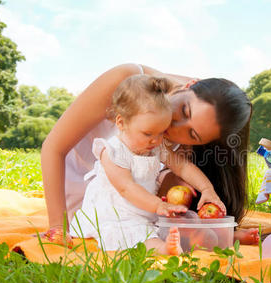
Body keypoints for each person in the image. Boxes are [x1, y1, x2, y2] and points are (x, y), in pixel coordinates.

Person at [41, 63, 258, 246]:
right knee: (133, 222)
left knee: (172, 202)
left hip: (135, 200)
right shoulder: (127, 80)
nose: (174, 127)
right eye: (183, 110)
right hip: (83, 192)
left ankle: (218, 237)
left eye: (192, 134)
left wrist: (200, 189)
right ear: (189, 84)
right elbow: (53, 148)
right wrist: (57, 227)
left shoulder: (200, 123)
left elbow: (165, 175)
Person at [69, 75, 225, 254]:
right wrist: (158, 205)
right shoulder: (112, 151)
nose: (156, 140)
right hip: (117, 213)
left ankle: (221, 238)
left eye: (161, 132)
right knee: (141, 235)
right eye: (148, 133)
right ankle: (163, 249)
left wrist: (206, 189)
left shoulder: (155, 147)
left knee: (185, 222)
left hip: (146, 210)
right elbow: (126, 187)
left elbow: (183, 167)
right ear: (121, 122)